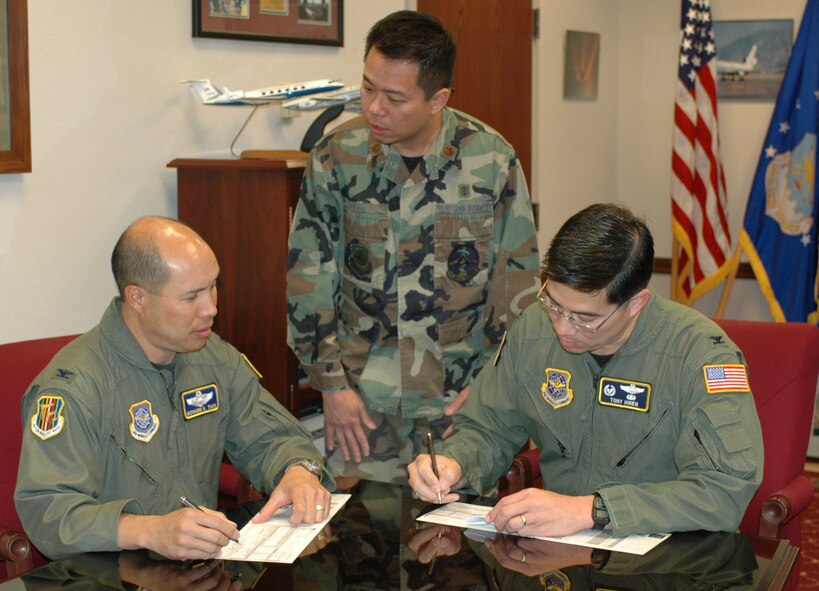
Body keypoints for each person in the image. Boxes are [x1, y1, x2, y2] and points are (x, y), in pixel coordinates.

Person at [286, 10, 540, 484]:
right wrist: (330, 386)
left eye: (394, 97)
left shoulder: (490, 160)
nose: (374, 108)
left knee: (462, 553)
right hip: (362, 408)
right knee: (359, 547)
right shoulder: (335, 157)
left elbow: (518, 284)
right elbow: (309, 279)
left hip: (463, 405)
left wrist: (494, 384)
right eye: (367, 88)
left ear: (437, 99)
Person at [408, 203, 764, 537]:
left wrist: (594, 511)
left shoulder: (700, 355)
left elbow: (724, 490)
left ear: (636, 302)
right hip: (559, 554)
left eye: (586, 318)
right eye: (554, 304)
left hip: (667, 554)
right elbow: (489, 431)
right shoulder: (533, 330)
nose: (563, 328)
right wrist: (456, 463)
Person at [15, 217, 334, 561]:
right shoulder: (74, 388)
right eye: (191, 296)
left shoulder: (214, 359)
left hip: (196, 571)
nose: (211, 307)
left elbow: (271, 438)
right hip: (108, 576)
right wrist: (148, 530)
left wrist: (299, 472)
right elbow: (49, 512)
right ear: (137, 297)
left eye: (213, 286)